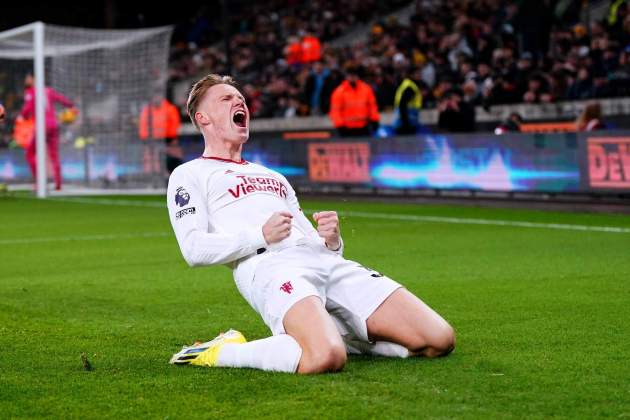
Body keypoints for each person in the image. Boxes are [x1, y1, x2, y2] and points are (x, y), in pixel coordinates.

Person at [167, 74, 455, 374]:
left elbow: (313, 239)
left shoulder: (274, 177)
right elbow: (193, 249)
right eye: (226, 98)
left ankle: (336, 335)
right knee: (324, 358)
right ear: (203, 118)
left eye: (240, 98)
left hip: (321, 261)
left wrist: (331, 242)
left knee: (438, 338)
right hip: (269, 267)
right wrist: (259, 235)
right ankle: (221, 352)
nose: (239, 101)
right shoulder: (190, 174)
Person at [19, 74, 76, 191]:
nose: (26, 80)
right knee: (54, 155)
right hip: (54, 125)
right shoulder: (48, 91)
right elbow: (65, 101)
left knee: (30, 153)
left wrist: (23, 116)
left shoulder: (31, 92)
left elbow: (26, 110)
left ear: (34, 79)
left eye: (28, 77)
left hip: (42, 125)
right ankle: (58, 183)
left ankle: (39, 182)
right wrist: (72, 107)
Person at [138, 92, 182, 177]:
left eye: (158, 96)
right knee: (152, 159)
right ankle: (153, 176)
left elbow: (174, 124)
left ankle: (175, 175)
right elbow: (143, 125)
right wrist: (145, 138)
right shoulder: (147, 110)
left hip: (168, 139)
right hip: (151, 140)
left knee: (173, 156)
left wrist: (172, 138)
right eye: (154, 96)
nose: (156, 98)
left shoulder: (170, 108)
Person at [329, 66, 380, 137]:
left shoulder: (366, 89)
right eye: (350, 75)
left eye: (354, 75)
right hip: (346, 128)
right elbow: (335, 111)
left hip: (363, 127)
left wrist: (374, 120)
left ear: (357, 76)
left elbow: (372, 106)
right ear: (346, 76)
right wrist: (339, 126)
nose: (352, 77)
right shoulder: (339, 92)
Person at [392, 69, 423, 135]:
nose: (420, 76)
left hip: (403, 119)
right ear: (412, 75)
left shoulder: (406, 84)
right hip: (407, 120)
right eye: (418, 74)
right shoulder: (410, 86)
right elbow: (402, 104)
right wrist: (406, 124)